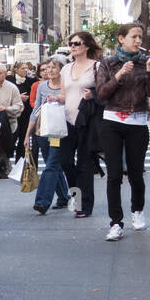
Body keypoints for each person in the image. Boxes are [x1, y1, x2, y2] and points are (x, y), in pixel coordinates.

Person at [95, 22, 150, 241]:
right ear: (121, 39)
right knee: (114, 175)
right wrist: (119, 75)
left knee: (135, 173)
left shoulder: (146, 63)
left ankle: (138, 211)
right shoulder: (107, 63)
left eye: (140, 37)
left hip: (137, 122)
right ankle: (115, 222)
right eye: (134, 37)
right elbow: (102, 94)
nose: (138, 41)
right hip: (112, 122)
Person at [58, 30, 102, 218]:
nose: (73, 47)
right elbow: (63, 94)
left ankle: (85, 205)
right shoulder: (66, 69)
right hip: (67, 119)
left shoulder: (97, 67)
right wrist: (56, 98)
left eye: (77, 43)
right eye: (71, 44)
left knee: (85, 164)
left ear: (87, 46)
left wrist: (93, 94)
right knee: (65, 161)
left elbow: (105, 92)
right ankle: (77, 195)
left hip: (87, 120)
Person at [24, 59, 72, 214]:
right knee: (53, 164)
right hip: (43, 130)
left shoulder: (67, 85)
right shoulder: (42, 86)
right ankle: (64, 197)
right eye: (47, 68)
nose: (50, 70)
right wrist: (27, 134)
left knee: (51, 164)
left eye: (54, 67)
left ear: (61, 70)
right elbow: (36, 110)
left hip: (60, 131)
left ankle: (42, 202)